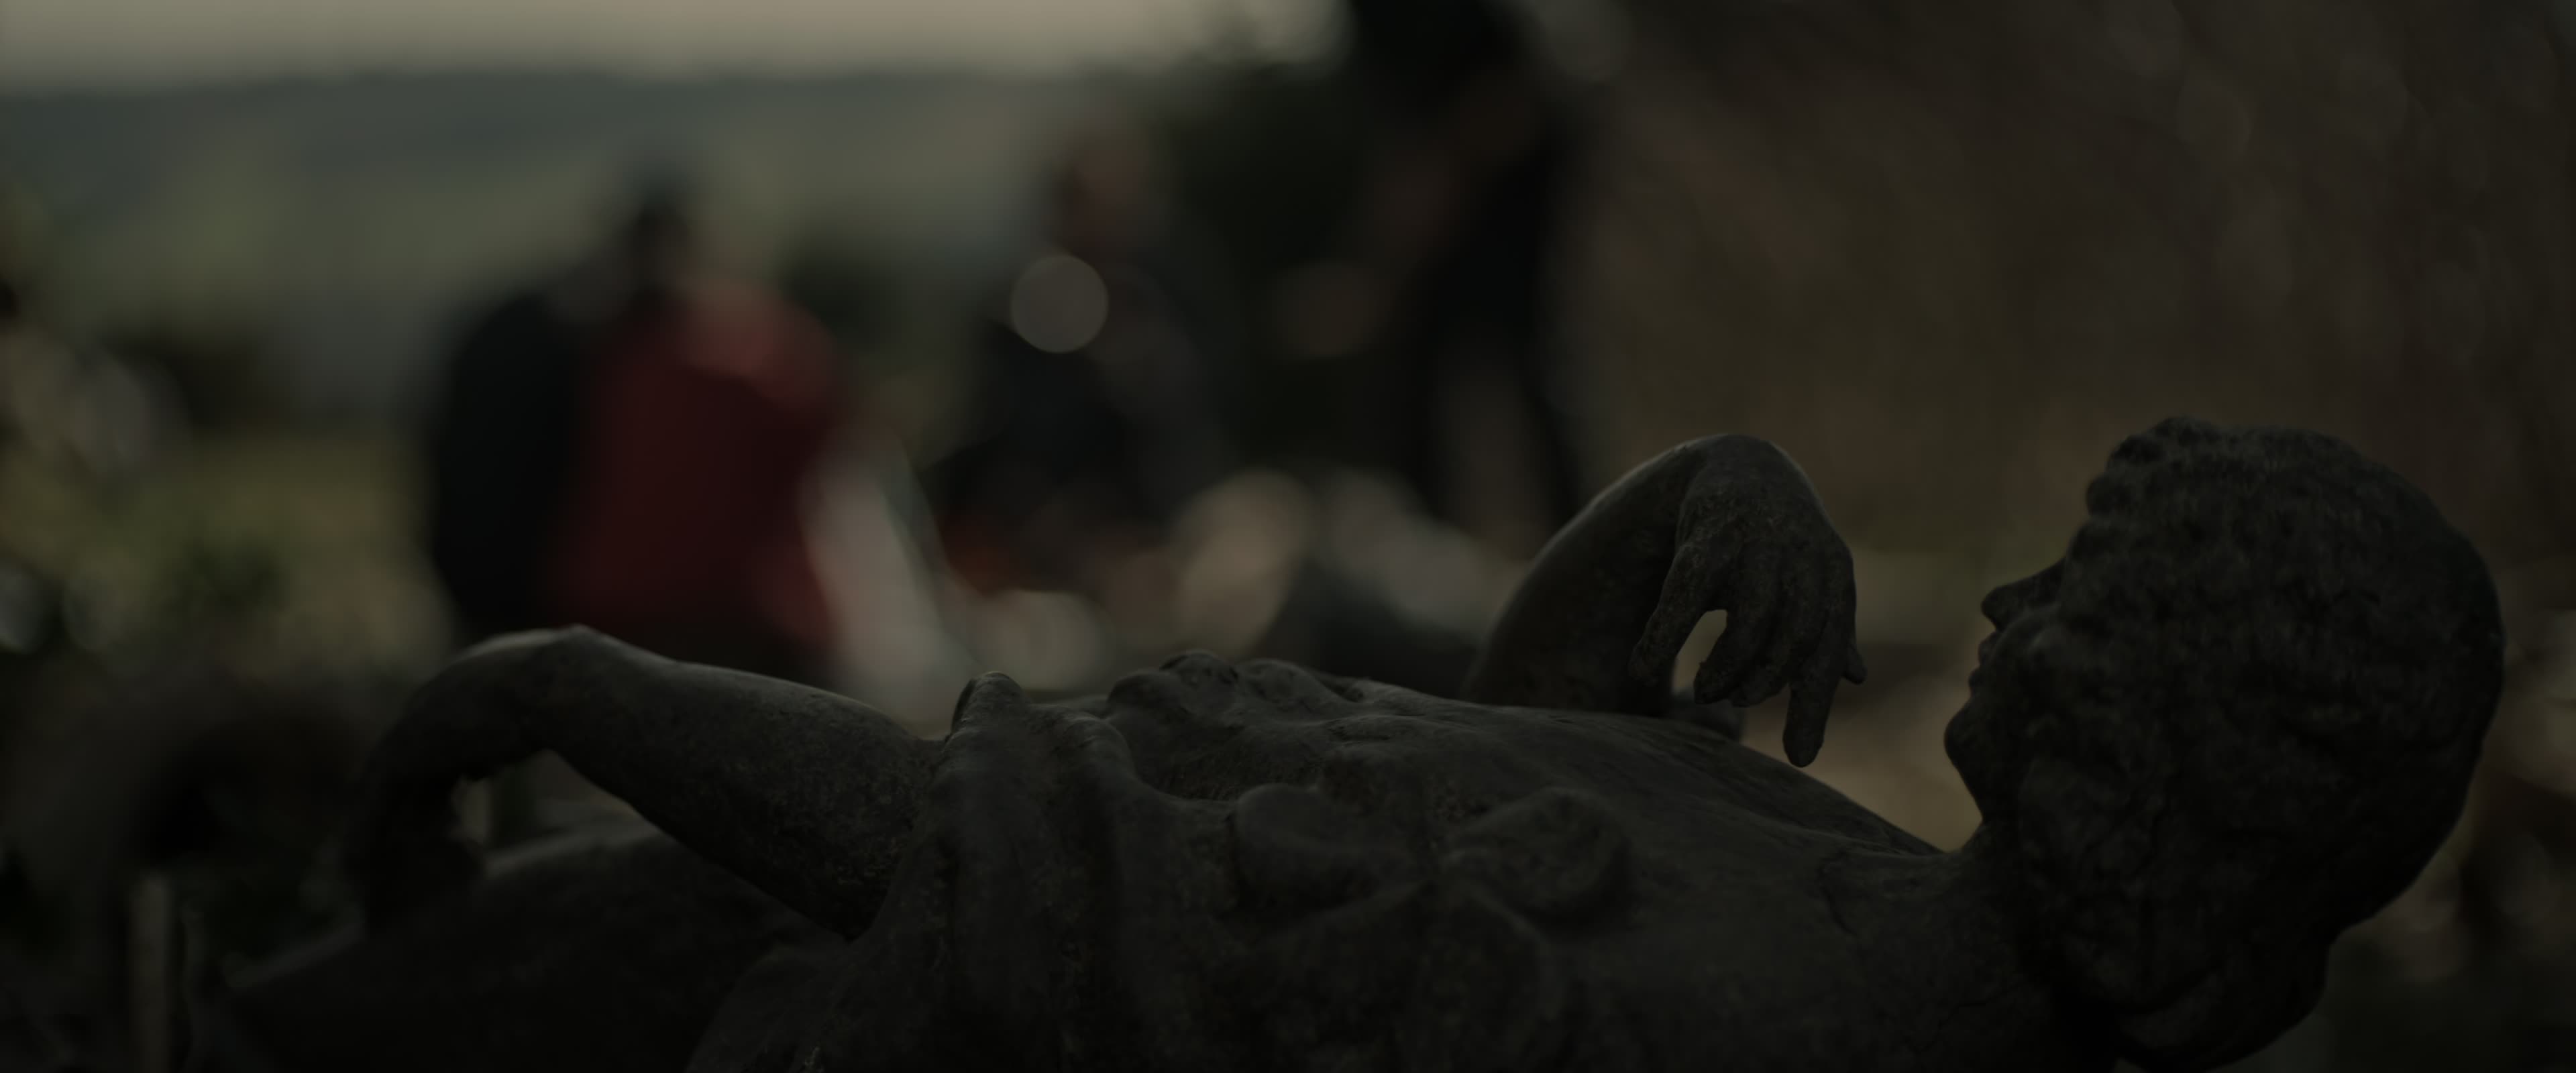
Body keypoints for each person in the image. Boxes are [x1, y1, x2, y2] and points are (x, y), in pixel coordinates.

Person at [264, 418, 2498, 1072]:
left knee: (331, 1024)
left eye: (2077, 602)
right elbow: (1503, 751)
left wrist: (584, 692)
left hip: (850, 959)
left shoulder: (1743, 1016)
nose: (2008, 613)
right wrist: (1679, 504)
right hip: (885, 908)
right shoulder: (1869, 915)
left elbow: (1038, 874)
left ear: (2147, 741)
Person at [423, 176, 847, 683]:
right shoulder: (756, 354)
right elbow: (821, 442)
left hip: (588, 606)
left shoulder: (572, 347)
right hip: (717, 610)